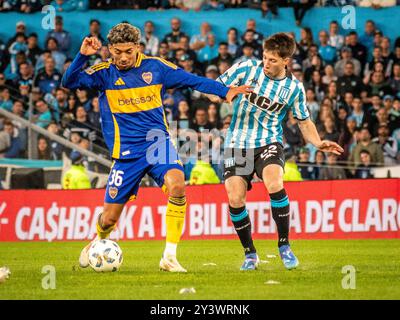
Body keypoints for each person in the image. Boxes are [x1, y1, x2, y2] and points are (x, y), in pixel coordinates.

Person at [61, 23, 250, 273]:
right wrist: (83, 54)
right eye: (117, 51)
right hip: (126, 155)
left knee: (178, 185)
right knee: (109, 219)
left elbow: (192, 80)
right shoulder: (103, 73)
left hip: (158, 145)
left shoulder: (156, 67)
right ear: (109, 50)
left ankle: (169, 256)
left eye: (128, 51)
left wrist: (225, 91)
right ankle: (97, 239)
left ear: (138, 47)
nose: (123, 57)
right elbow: (69, 82)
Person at [215, 33, 343, 271]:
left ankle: (284, 246)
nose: (266, 63)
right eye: (264, 57)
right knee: (235, 197)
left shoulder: (294, 88)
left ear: (286, 60)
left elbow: (304, 121)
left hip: (269, 142)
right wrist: (225, 93)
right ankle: (250, 254)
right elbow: (213, 89)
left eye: (272, 60)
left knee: (274, 183)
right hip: (238, 143)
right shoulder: (246, 69)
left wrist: (317, 143)